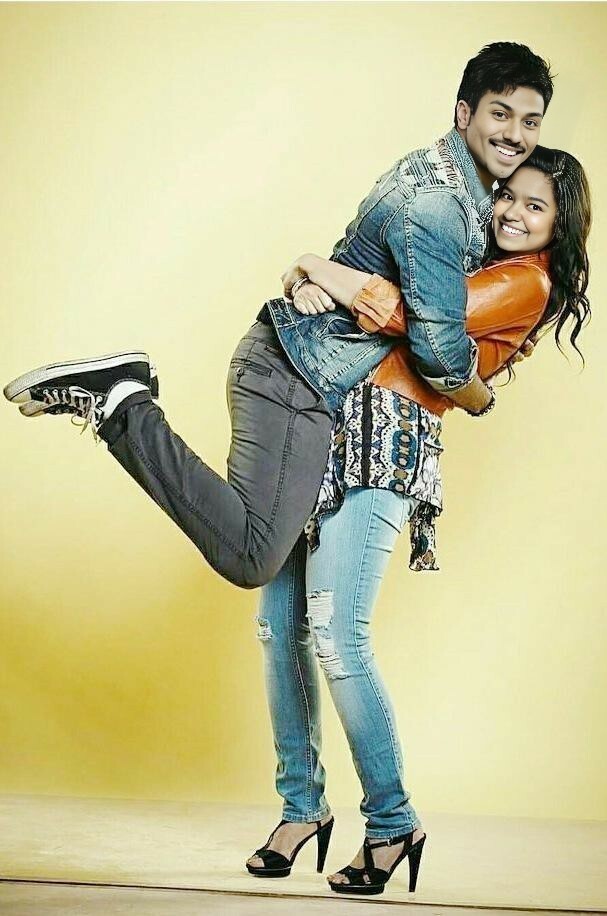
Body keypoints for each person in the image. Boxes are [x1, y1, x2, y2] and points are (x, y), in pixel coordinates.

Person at [3, 42, 555, 593]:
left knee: (289, 589)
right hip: (297, 377)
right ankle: (124, 404)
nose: (515, 134)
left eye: (530, 121)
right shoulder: (440, 204)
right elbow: (439, 352)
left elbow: (380, 271)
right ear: (464, 113)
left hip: (299, 367)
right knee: (252, 557)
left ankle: (122, 402)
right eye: (500, 114)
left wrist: (312, 272)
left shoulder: (454, 184)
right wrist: (481, 398)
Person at [245, 147, 591, 896]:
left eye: (535, 206)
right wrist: (309, 283)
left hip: (387, 439)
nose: (511, 212)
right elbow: (375, 297)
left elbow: (406, 316)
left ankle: (393, 822)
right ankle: (301, 809)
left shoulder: (522, 281)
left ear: (560, 227)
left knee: (337, 632)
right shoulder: (464, 249)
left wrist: (313, 264)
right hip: (331, 423)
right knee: (278, 625)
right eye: (508, 195)